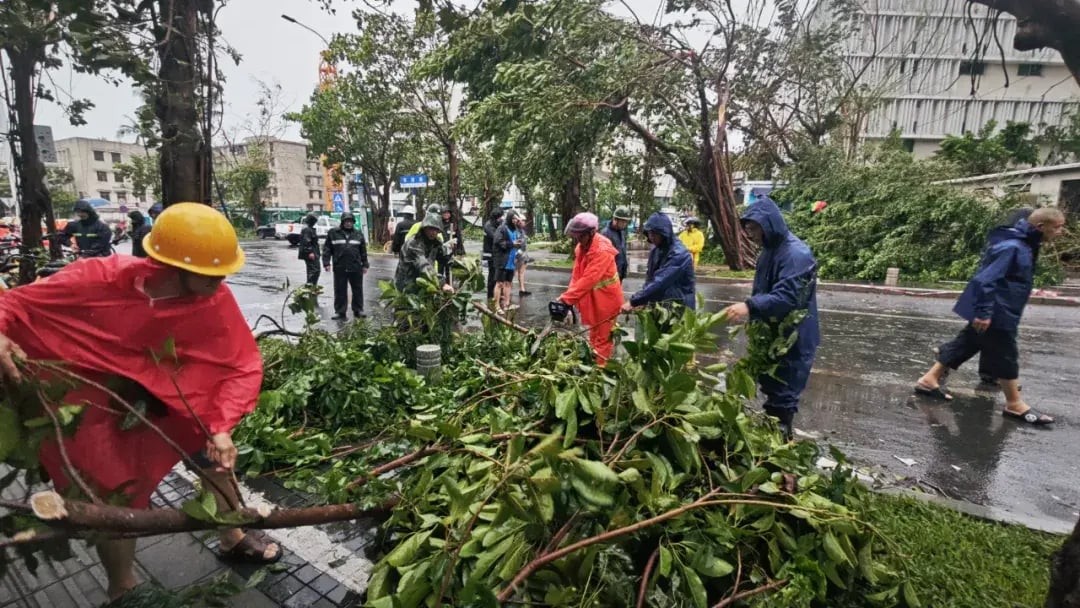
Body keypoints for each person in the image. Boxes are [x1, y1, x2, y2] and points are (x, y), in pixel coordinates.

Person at [0, 203, 275, 602]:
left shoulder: (214, 301)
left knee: (216, 463)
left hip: (180, 404)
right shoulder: (96, 279)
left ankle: (232, 534)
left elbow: (241, 364)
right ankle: (122, 587)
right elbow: (14, 304)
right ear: (171, 267)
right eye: (210, 274)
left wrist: (221, 425)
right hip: (103, 406)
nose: (221, 281)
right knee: (113, 497)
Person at [914, 207, 1067, 426]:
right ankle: (1014, 403)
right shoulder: (1013, 246)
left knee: (969, 342)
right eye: (1058, 227)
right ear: (1041, 227)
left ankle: (929, 380)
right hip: (998, 311)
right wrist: (984, 312)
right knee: (1006, 354)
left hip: (1003, 309)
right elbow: (985, 280)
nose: (1061, 232)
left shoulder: (1025, 245)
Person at [722, 197, 820, 441]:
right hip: (771, 336)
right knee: (771, 388)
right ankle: (774, 444)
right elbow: (763, 290)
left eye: (754, 228)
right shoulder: (768, 252)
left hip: (793, 339)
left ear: (769, 224)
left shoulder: (796, 254)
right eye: (748, 229)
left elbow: (788, 297)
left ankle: (782, 450)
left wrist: (749, 307)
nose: (750, 234)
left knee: (783, 397)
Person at [557, 213, 623, 365]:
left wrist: (567, 300)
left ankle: (599, 374)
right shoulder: (582, 247)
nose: (577, 240)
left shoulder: (602, 250)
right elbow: (577, 275)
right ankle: (594, 365)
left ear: (591, 233)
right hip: (594, 297)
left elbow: (589, 279)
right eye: (576, 236)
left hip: (607, 299)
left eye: (580, 236)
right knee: (594, 334)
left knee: (603, 338)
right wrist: (566, 298)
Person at [621, 212, 695, 312]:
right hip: (662, 305)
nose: (651, 237)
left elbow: (661, 281)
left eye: (655, 234)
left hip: (680, 306)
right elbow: (650, 278)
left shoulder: (679, 254)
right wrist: (644, 300)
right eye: (650, 233)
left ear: (664, 233)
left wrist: (634, 301)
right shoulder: (656, 250)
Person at [322, 212, 369, 320]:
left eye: (350, 221)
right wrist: (326, 262)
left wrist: (365, 264)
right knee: (340, 290)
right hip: (340, 266)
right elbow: (327, 249)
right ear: (342, 222)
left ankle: (358, 310)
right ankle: (340, 312)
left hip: (355, 267)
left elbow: (363, 251)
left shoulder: (358, 234)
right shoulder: (333, 233)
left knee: (357, 290)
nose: (348, 223)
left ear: (353, 222)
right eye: (346, 221)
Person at [395, 212, 454, 294]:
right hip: (407, 285)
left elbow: (444, 258)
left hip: (424, 284)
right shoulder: (413, 244)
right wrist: (442, 283)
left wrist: (455, 263)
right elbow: (423, 265)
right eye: (430, 229)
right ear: (424, 228)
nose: (433, 232)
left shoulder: (435, 243)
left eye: (436, 230)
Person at [493, 210, 525, 312]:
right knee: (499, 283)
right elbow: (498, 242)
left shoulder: (515, 229)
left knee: (508, 283)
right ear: (509, 218)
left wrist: (518, 243)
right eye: (514, 218)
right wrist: (512, 244)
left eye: (516, 218)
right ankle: (497, 306)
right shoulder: (502, 228)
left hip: (512, 260)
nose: (515, 220)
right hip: (502, 260)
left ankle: (506, 304)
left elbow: (516, 241)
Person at [601, 207, 631, 281]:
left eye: (626, 221)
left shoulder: (622, 232)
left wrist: (625, 267)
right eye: (623, 221)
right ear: (615, 220)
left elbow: (622, 251)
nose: (625, 224)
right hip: (611, 275)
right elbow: (603, 257)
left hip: (620, 273)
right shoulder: (606, 233)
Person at [483, 209, 505, 300]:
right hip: (490, 253)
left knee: (499, 274)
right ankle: (490, 295)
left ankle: (498, 294)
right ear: (496, 217)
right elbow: (496, 237)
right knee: (492, 274)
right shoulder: (488, 225)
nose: (502, 218)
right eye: (500, 216)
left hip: (497, 253)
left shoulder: (498, 224)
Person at [298, 213, 321, 286]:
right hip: (311, 253)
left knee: (314, 270)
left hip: (314, 252)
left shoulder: (309, 229)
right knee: (314, 270)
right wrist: (310, 252)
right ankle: (310, 286)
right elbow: (306, 241)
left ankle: (311, 286)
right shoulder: (307, 230)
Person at [515, 224, 532, 296]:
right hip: (516, 254)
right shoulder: (514, 231)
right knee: (512, 272)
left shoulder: (522, 231)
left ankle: (522, 289)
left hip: (523, 254)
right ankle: (504, 291)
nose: (524, 222)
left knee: (522, 272)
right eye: (523, 220)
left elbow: (524, 244)